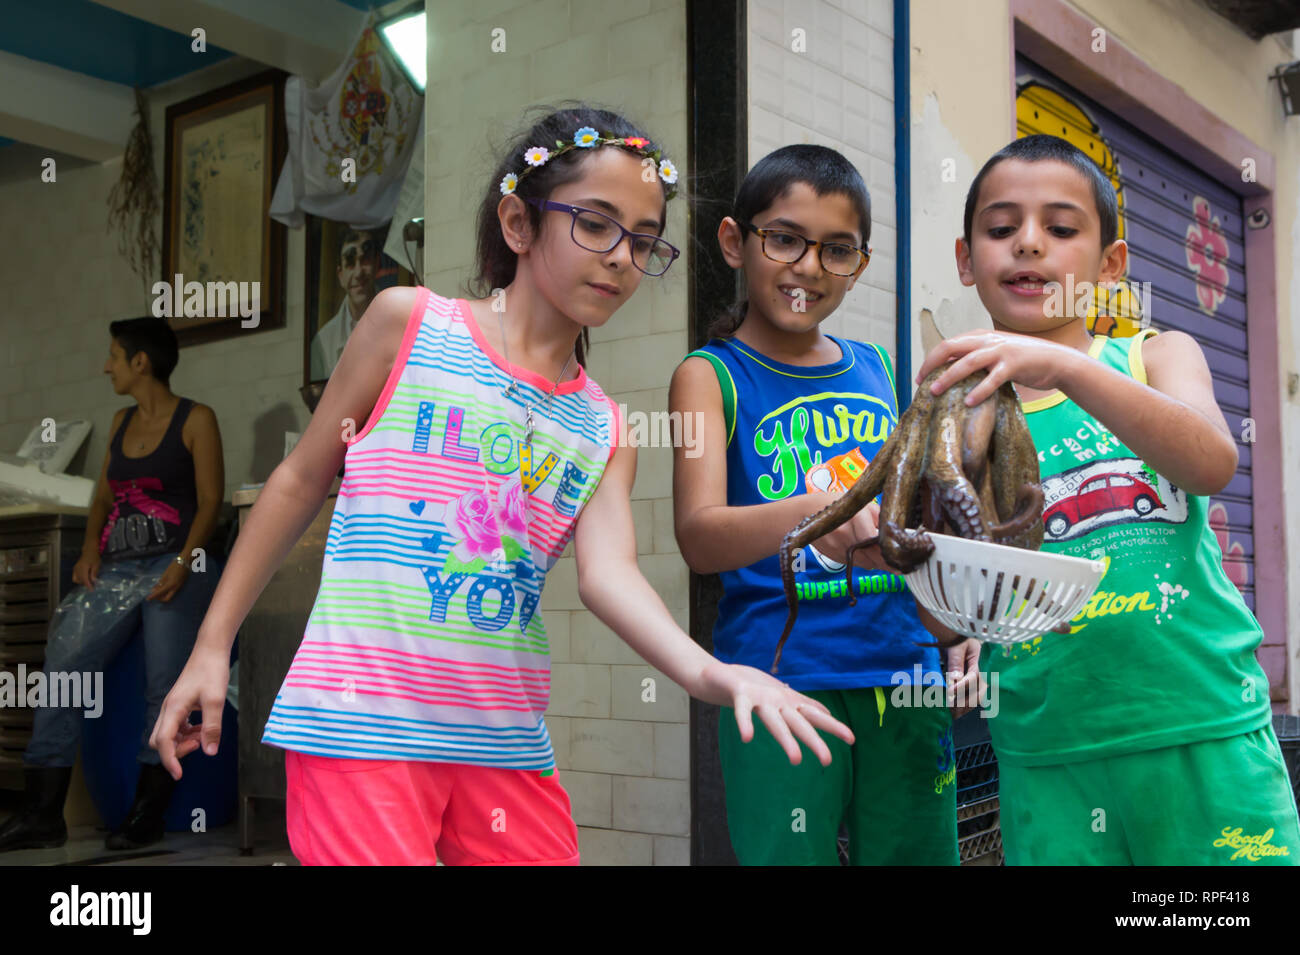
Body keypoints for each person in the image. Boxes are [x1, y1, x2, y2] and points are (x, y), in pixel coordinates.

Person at [150, 106, 855, 866]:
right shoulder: (408, 325)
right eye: (595, 223)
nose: (622, 256)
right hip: (360, 726)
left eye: (644, 239)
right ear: (518, 223)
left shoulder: (605, 428)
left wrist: (712, 673)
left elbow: (611, 576)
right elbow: (298, 479)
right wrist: (211, 646)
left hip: (503, 744)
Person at [914, 133, 1300, 865]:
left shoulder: (1156, 356)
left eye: (1061, 229)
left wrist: (1064, 366)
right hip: (1047, 748)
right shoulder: (955, 413)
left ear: (1110, 263)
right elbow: (944, 610)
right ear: (967, 259)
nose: (1029, 245)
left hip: (1204, 726)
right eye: (1001, 229)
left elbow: (1212, 460)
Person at [670, 145, 972, 865]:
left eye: (835, 250)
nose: (807, 266)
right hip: (782, 680)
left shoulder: (878, 367)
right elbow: (699, 536)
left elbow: (910, 517)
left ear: (859, 265)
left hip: (904, 669)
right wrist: (821, 510)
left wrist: (952, 617)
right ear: (736, 242)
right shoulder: (709, 375)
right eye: (785, 239)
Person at [0, 317, 226, 852]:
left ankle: (147, 810)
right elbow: (102, 498)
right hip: (119, 570)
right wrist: (88, 551)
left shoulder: (197, 420)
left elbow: (212, 501)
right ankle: (42, 812)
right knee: (61, 668)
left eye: (114, 356)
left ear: (139, 361)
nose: (107, 366)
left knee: (163, 683)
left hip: (177, 564)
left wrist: (183, 562)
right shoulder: (121, 421)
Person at [309, 226, 384, 380]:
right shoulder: (323, 342)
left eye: (365, 260)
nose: (358, 273)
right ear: (340, 275)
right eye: (350, 263)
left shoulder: (399, 322)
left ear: (377, 264)